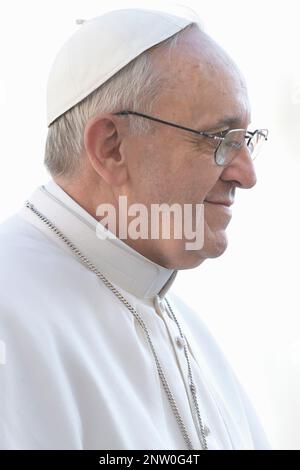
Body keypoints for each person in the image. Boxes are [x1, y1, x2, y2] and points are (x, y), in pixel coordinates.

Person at [0, 7, 270, 450]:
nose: (246, 174)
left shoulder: (187, 326)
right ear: (111, 148)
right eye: (221, 141)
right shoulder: (10, 310)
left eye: (247, 141)